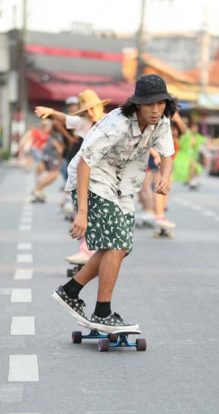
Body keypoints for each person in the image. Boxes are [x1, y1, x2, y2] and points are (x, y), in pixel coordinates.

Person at [51, 74, 176, 332]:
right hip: (93, 179)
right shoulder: (118, 123)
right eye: (149, 104)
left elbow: (167, 153)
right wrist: (82, 211)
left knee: (121, 247)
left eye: (160, 103)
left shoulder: (162, 121)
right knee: (116, 243)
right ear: (137, 104)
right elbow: (85, 163)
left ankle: (70, 291)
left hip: (123, 185)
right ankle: (102, 312)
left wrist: (165, 177)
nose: (155, 110)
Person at [35, 89, 111, 265]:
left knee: (99, 214)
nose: (90, 113)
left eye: (93, 108)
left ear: (100, 107)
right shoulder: (84, 123)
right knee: (83, 213)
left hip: (107, 175)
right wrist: (52, 112)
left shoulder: (112, 122)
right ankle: (86, 251)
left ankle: (97, 250)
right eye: (87, 110)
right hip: (86, 173)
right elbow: (66, 119)